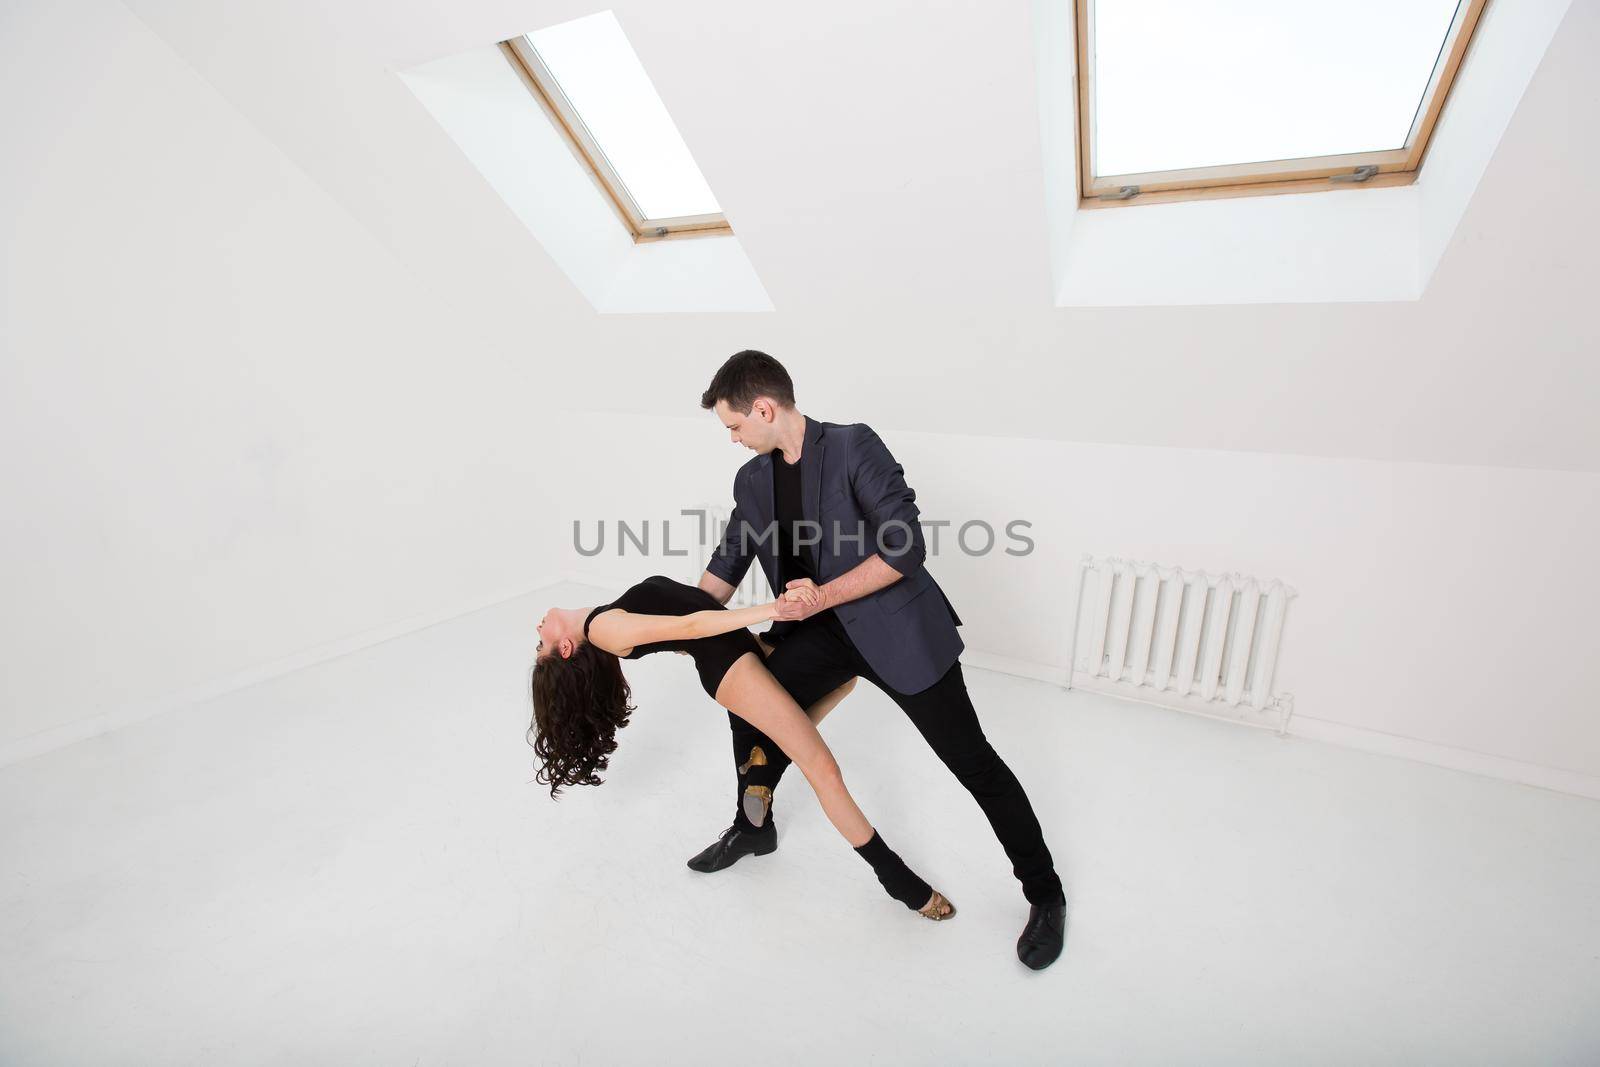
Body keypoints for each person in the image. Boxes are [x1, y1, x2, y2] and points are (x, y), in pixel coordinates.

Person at [690, 350, 1068, 970]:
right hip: (821, 635)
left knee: (973, 763)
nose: (732, 438)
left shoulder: (851, 446)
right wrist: (664, 620)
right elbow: (728, 562)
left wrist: (821, 597)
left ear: (765, 408)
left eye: (735, 425)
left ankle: (1045, 894)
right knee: (751, 699)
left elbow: (905, 545)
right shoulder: (752, 482)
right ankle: (756, 825)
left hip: (896, 629)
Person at [529, 574, 955, 920]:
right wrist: (776, 609)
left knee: (844, 679)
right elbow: (690, 626)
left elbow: (691, 611)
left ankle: (766, 761)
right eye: (541, 643)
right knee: (824, 770)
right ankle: (899, 882)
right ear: (565, 648)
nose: (538, 630)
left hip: (745, 651)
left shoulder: (607, 613)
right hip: (731, 670)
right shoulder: (601, 629)